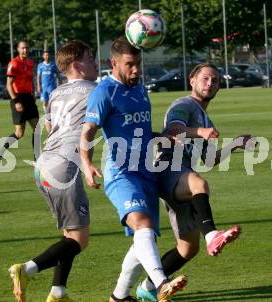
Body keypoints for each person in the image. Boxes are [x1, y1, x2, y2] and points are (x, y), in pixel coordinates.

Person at [80, 36, 188, 302]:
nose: (136, 70)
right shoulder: (105, 91)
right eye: (130, 65)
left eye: (138, 63)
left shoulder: (140, 89)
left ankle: (119, 296)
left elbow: (138, 130)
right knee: (143, 224)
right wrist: (86, 163)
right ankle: (161, 283)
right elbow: (88, 131)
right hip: (120, 172)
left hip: (146, 171)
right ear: (113, 63)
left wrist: (163, 137)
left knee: (144, 235)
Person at [135, 63, 254, 301]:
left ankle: (147, 288)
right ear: (192, 80)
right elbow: (173, 128)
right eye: (206, 79)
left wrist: (235, 144)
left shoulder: (206, 118)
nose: (210, 84)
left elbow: (209, 159)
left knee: (188, 249)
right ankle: (212, 236)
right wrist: (199, 131)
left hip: (182, 173)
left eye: (216, 81)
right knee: (200, 185)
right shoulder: (184, 104)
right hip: (168, 166)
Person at [8, 40, 98, 302]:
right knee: (79, 240)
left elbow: (49, 126)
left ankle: (58, 292)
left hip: (43, 165)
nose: (95, 62)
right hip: (64, 168)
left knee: (68, 234)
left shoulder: (57, 93)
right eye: (90, 57)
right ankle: (26, 269)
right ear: (76, 65)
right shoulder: (96, 90)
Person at [0, 40, 39, 169]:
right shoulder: (14, 63)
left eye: (27, 48)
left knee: (37, 128)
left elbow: (31, 81)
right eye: (23, 48)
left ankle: (37, 159)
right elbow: (9, 85)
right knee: (19, 133)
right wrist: (16, 101)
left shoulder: (30, 63)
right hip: (18, 98)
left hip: (29, 98)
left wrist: (33, 95)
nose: (25, 50)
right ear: (18, 49)